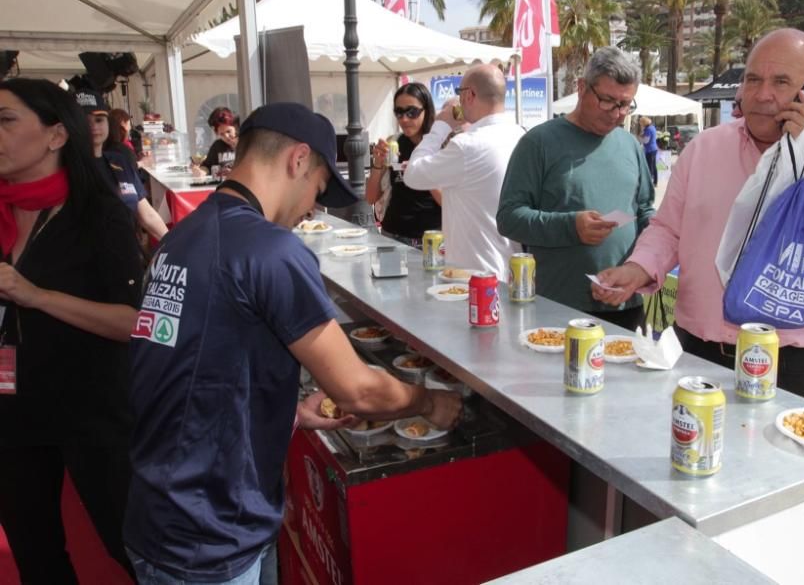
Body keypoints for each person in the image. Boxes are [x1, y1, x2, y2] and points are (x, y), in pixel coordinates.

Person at [125, 102, 461, 584]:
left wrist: (287, 412)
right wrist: (428, 401)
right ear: (298, 160)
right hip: (207, 532)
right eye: (318, 191)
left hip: (170, 509)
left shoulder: (186, 235)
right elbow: (358, 391)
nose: (311, 211)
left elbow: (197, 364)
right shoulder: (269, 248)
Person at [592, 29, 804, 400]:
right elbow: (669, 228)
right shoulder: (705, 148)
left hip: (788, 358)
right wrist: (637, 269)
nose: (762, 95)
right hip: (694, 347)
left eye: (781, 82)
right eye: (753, 80)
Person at [0, 78, 144, 582]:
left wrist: (34, 295)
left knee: (132, 546)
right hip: (11, 407)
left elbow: (136, 322)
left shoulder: (98, 214)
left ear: (57, 135)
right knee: (35, 553)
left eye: (5, 119)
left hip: (92, 412)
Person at [496, 47, 656, 331]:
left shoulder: (630, 145)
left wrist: (639, 269)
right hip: (557, 308)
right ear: (582, 88)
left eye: (625, 104)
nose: (616, 114)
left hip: (625, 307)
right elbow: (508, 217)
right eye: (607, 101)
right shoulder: (538, 143)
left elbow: (644, 211)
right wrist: (571, 226)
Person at [402, 65, 524, 278]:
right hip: (510, 267)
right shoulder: (520, 135)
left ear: (469, 95)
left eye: (460, 94)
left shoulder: (467, 145)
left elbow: (413, 174)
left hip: (473, 272)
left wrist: (440, 126)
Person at [77, 90, 169, 240]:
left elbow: (147, 214)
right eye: (85, 121)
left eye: (99, 120)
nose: (93, 127)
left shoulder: (120, 161)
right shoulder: (65, 167)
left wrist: (172, 243)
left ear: (108, 123)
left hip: (126, 253)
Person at [366, 83, 442, 247]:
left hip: (431, 240)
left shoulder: (441, 146)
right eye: (399, 113)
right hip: (391, 235)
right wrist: (378, 165)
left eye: (412, 112)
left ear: (426, 110)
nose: (404, 119)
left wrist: (423, 173)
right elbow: (371, 198)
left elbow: (447, 201)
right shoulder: (394, 142)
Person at [194, 106, 239, 176]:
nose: (226, 137)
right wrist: (201, 172)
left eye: (228, 131)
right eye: (221, 134)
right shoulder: (217, 146)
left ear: (235, 128)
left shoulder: (246, 144)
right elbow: (207, 166)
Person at [639, 116, 659, 186]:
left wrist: (640, 138)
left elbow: (646, 141)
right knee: (653, 166)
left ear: (644, 123)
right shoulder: (652, 127)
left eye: (641, 123)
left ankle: (649, 184)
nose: (640, 124)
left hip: (650, 150)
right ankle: (655, 182)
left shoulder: (648, 130)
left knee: (649, 166)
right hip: (654, 148)